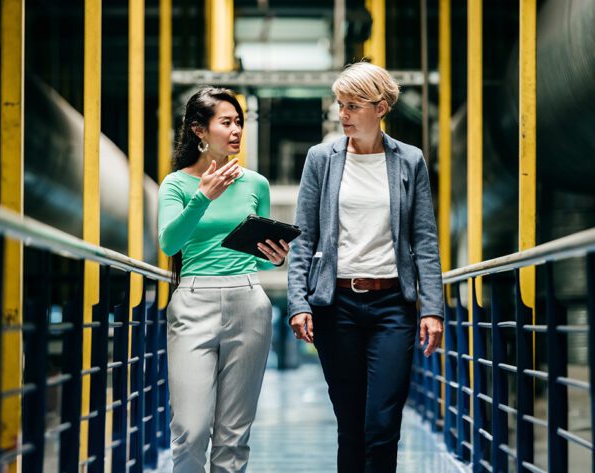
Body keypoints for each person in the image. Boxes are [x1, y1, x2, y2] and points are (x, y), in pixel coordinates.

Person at [287, 62, 444, 473]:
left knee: (382, 424)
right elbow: (304, 237)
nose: (343, 115)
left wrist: (431, 308)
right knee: (351, 424)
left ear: (381, 107)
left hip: (393, 305)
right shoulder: (321, 158)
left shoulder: (409, 161)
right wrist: (298, 303)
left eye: (353, 106)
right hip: (335, 305)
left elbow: (424, 239)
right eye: (340, 105)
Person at [158, 86, 289, 473]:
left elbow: (262, 263)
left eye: (239, 123)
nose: (236, 131)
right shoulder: (177, 185)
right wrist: (203, 197)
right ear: (200, 130)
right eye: (226, 122)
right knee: (190, 429)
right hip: (193, 301)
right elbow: (169, 243)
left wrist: (274, 259)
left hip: (248, 301)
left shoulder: (256, 184)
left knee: (233, 436)